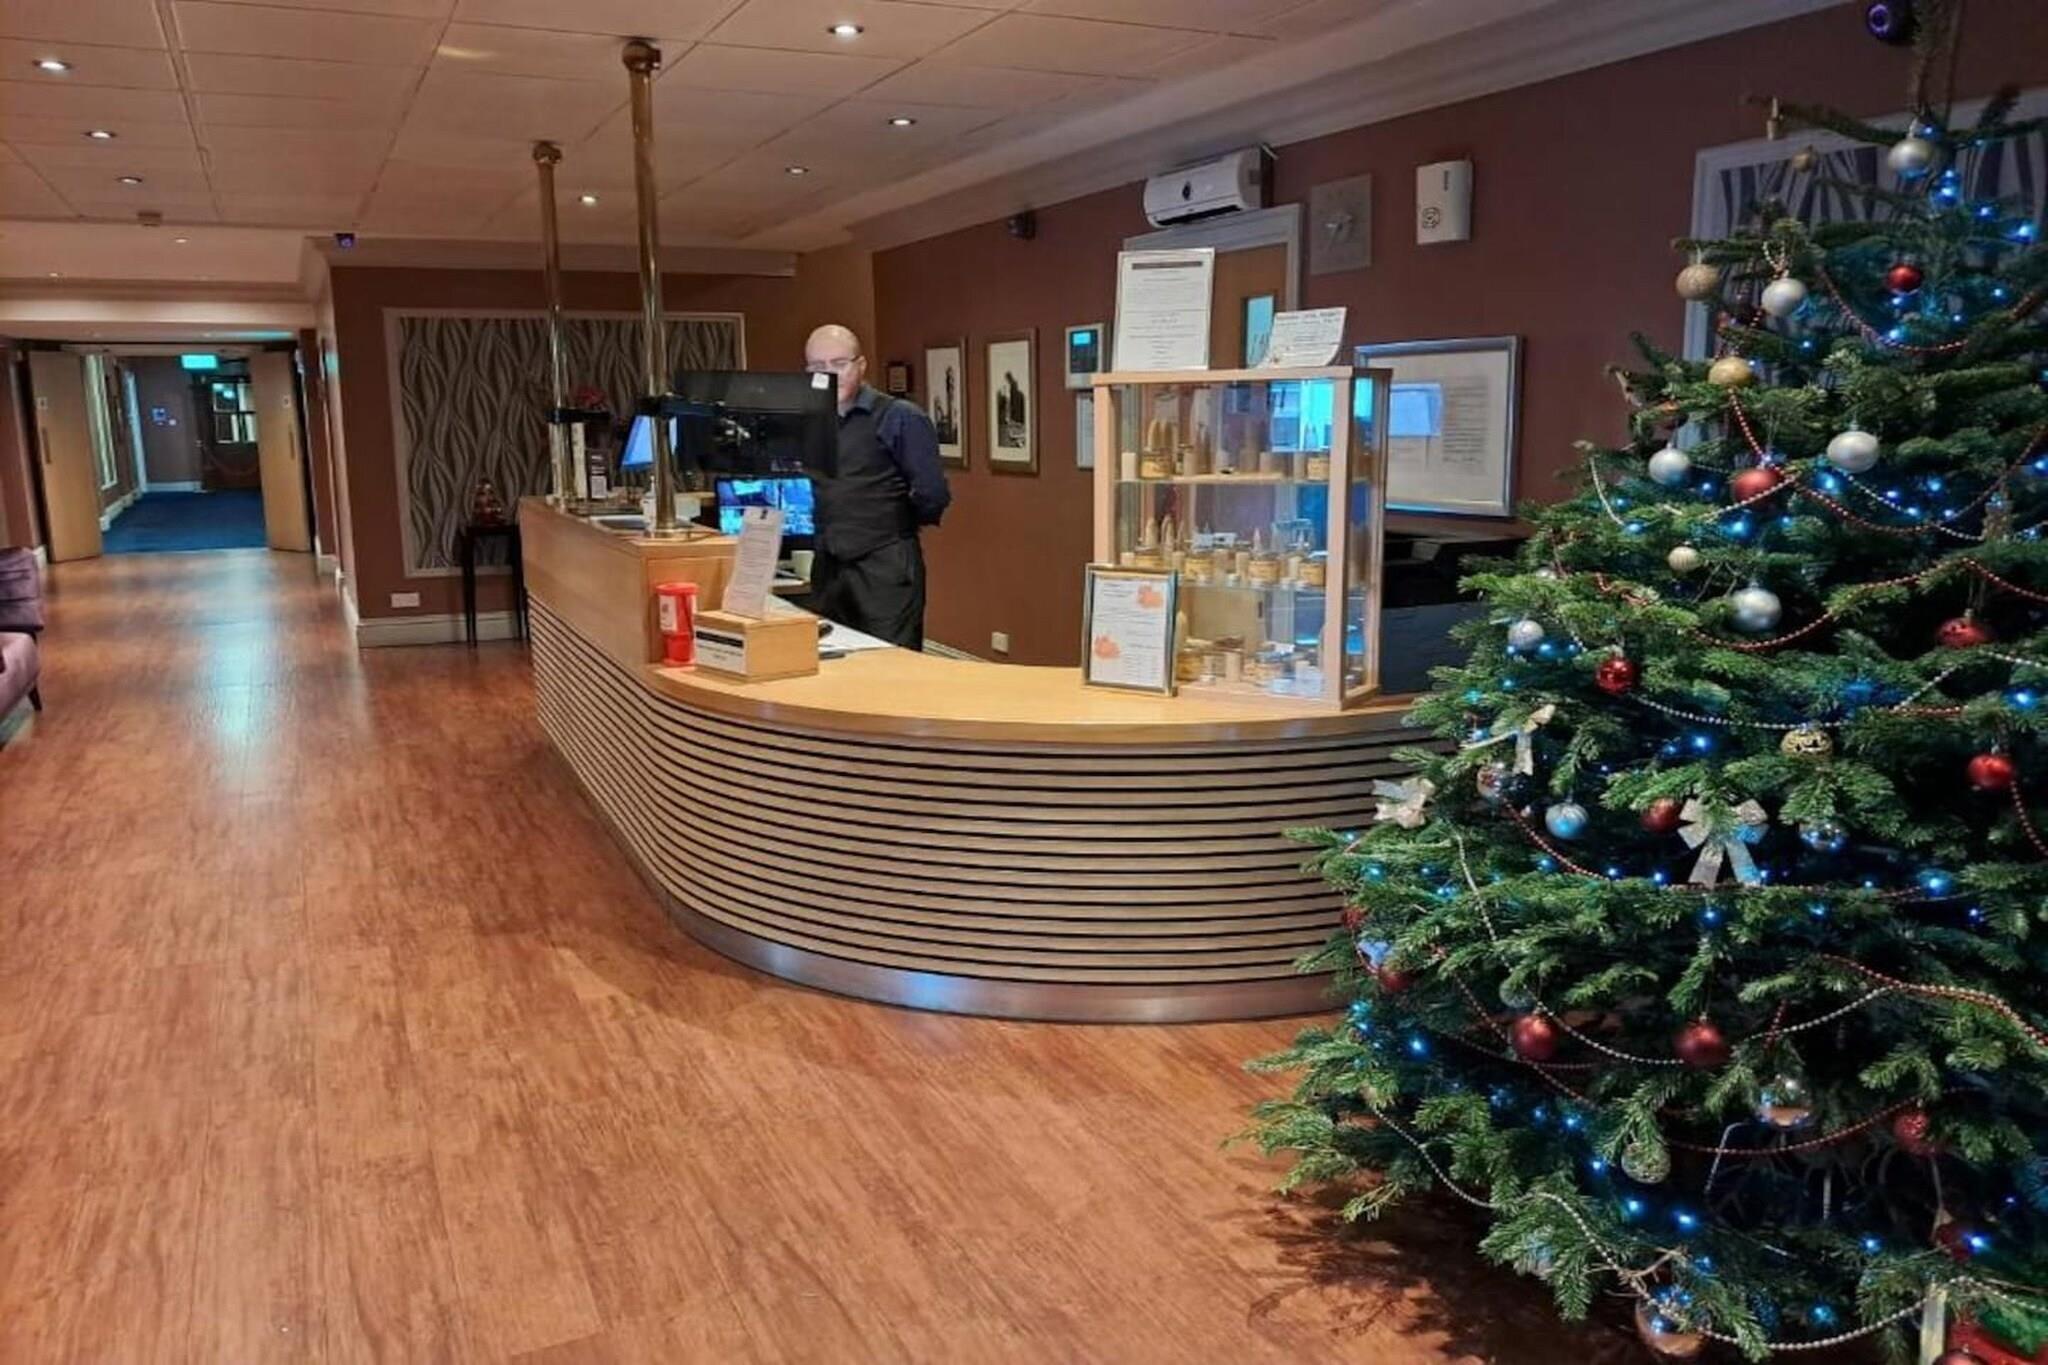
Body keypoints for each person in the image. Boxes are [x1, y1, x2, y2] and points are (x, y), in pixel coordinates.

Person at [803, 324, 951, 649]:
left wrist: (893, 522)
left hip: (885, 566)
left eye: (839, 364)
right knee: (831, 657)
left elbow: (932, 494)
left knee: (891, 662)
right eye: (818, 367)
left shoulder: (900, 417)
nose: (829, 374)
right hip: (829, 566)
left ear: (861, 365)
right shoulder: (813, 422)